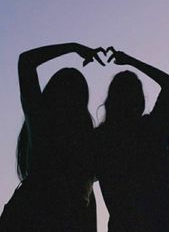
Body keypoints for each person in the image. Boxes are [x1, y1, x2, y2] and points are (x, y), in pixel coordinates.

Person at [0, 42, 105, 232]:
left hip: (25, 216)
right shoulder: (87, 145)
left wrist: (74, 47)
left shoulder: (42, 123)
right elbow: (89, 202)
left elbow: (26, 61)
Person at [94, 47, 169, 232]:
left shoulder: (102, 138)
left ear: (111, 100)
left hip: (127, 223)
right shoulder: (152, 127)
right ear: (139, 100)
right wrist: (130, 61)